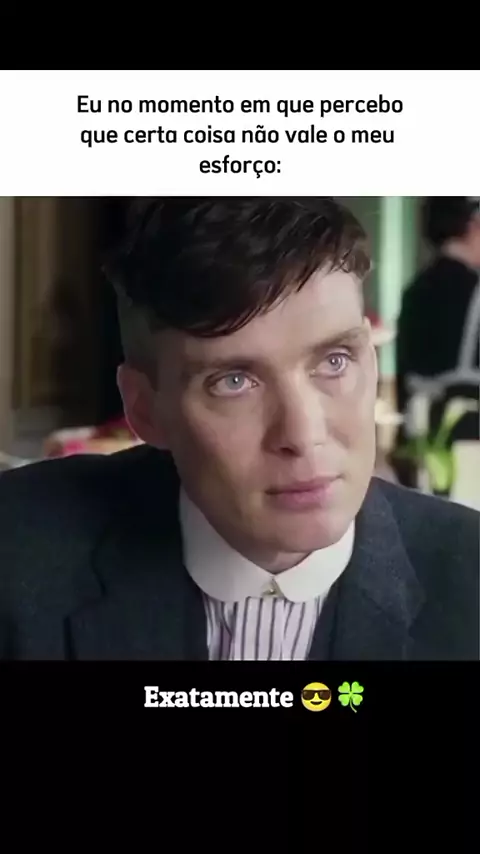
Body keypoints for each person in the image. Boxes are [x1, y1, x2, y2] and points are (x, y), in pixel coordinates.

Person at [0, 197, 478, 661]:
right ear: (145, 410)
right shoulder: (19, 553)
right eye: (234, 382)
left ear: (370, 365)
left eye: (335, 361)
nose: (303, 435)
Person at [393, 197, 480, 486]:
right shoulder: (474, 292)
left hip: (421, 440)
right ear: (472, 225)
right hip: (470, 441)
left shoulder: (414, 290)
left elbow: (403, 371)